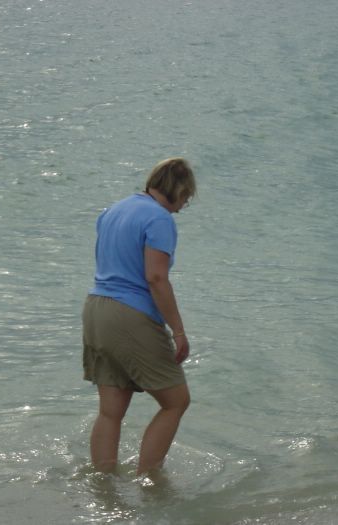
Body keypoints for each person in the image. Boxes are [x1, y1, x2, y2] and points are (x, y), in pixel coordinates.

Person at [82, 157, 197, 476]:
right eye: (186, 197)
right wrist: (179, 330)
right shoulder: (159, 219)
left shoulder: (113, 211)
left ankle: (104, 486)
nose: (184, 205)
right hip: (129, 314)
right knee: (176, 401)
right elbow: (156, 278)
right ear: (179, 189)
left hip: (95, 308)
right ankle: (149, 483)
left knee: (110, 411)